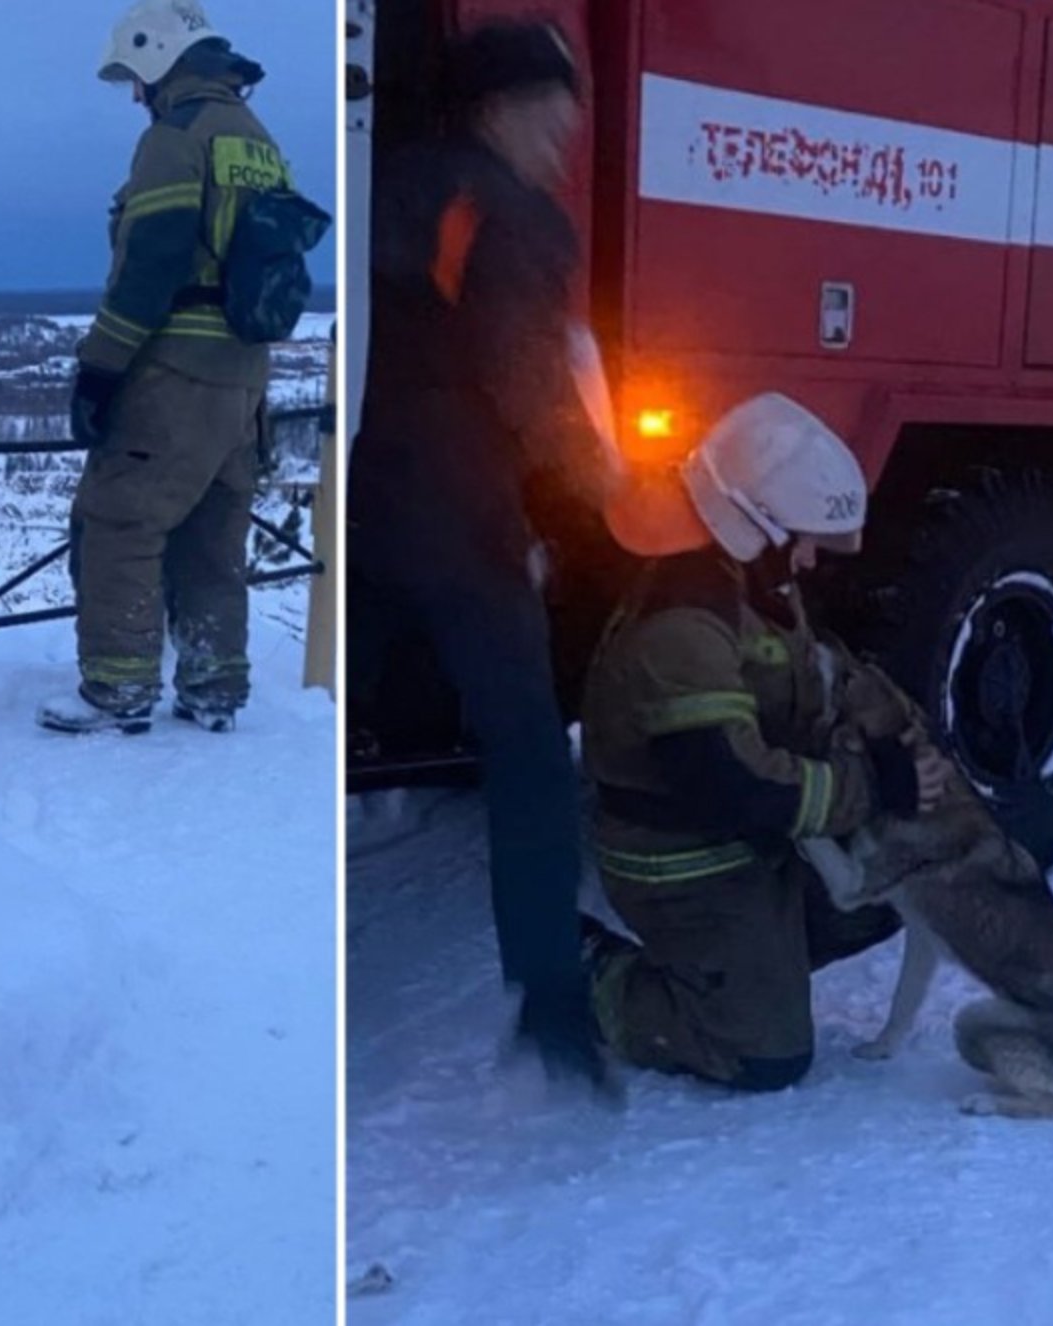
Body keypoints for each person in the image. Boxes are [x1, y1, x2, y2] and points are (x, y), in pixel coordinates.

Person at [346, 21, 620, 1085]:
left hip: (368, 501)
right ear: (501, 105)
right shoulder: (510, 216)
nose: (565, 131)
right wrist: (590, 499)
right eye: (553, 108)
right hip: (463, 519)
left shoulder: (395, 184)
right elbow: (529, 381)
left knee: (328, 720)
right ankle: (553, 1006)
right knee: (524, 753)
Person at [579, 393, 954, 1091]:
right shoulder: (683, 625)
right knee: (766, 1056)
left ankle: (746, 966)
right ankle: (596, 971)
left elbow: (816, 679)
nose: (811, 559)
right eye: (804, 539)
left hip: (747, 842)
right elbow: (733, 787)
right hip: (685, 864)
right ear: (758, 523)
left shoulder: (748, 586)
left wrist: (910, 741)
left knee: (889, 894)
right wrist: (874, 784)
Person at [42, 0, 295, 737]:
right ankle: (215, 687)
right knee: (213, 534)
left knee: (121, 518)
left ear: (161, 58)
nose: (134, 95)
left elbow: (151, 263)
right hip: (243, 378)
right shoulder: (259, 140)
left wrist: (100, 367)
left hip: (175, 371)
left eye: (136, 78)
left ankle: (117, 690)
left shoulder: (175, 138)